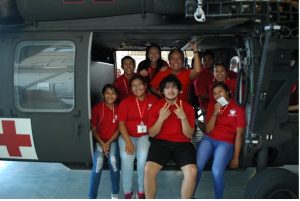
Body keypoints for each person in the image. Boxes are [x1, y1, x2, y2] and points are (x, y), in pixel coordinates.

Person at [144, 74, 198, 199]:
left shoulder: (188, 107)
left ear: (179, 90)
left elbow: (189, 135)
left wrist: (183, 117)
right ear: (162, 91)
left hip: (183, 144)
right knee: (148, 169)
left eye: (174, 87)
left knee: (192, 171)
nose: (170, 90)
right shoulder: (156, 106)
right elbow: (152, 133)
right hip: (160, 143)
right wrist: (161, 119)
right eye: (167, 87)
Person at [194, 82, 246, 199]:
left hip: (226, 142)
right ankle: (189, 195)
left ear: (227, 92)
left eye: (220, 92)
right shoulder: (213, 105)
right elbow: (208, 129)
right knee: (197, 167)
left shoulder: (238, 107)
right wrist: (214, 113)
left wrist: (236, 157)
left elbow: (239, 134)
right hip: (209, 138)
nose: (217, 95)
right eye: (215, 93)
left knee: (216, 171)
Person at [117, 75, 158, 199]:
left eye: (139, 84)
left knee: (143, 159)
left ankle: (141, 192)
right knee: (126, 159)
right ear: (130, 89)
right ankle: (127, 192)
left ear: (145, 86)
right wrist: (128, 142)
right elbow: (121, 124)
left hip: (145, 135)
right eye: (133, 86)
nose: (137, 88)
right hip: (127, 135)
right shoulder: (126, 102)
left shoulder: (154, 100)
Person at [88, 84, 120, 199]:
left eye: (113, 93)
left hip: (113, 141)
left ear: (116, 96)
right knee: (99, 163)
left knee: (113, 161)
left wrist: (108, 143)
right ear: (103, 94)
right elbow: (94, 129)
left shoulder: (119, 108)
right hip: (100, 141)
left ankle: (115, 194)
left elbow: (119, 129)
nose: (110, 96)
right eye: (107, 93)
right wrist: (103, 143)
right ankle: (92, 196)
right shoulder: (97, 108)